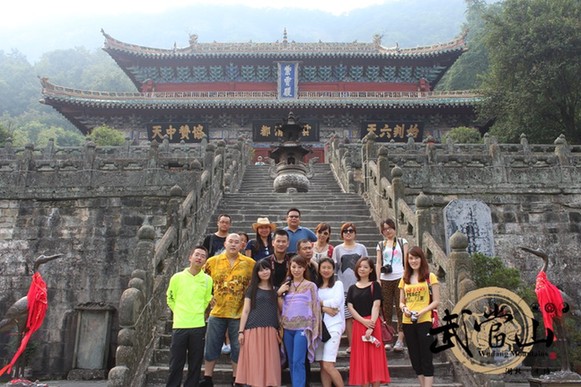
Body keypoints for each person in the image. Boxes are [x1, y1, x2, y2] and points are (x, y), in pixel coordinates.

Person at [201, 233, 255, 387]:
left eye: (236, 242)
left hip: (239, 313)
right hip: (217, 312)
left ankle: (236, 379)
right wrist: (207, 297)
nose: (233, 244)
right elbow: (200, 280)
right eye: (230, 241)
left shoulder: (250, 263)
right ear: (224, 243)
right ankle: (207, 378)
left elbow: (255, 284)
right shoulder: (212, 262)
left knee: (238, 348)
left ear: (241, 245)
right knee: (211, 346)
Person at [166, 246, 213, 387]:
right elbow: (170, 298)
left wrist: (197, 311)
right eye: (197, 255)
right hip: (180, 325)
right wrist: (179, 311)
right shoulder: (177, 277)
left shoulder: (207, 279)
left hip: (198, 325)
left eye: (202, 256)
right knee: (175, 363)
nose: (199, 258)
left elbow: (207, 299)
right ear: (190, 257)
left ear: (205, 260)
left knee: (195, 363)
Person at [235, 259, 281, 387]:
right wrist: (241, 331)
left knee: (270, 361)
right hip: (253, 329)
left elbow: (279, 311)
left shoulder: (276, 290)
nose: (264, 272)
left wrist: (279, 328)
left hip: (271, 329)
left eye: (266, 269)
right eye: (260, 270)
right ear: (257, 273)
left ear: (270, 270)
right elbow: (245, 311)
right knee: (255, 361)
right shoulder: (252, 289)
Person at [277, 255, 321, 387]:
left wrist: (315, 326)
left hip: (303, 327)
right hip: (287, 327)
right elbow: (281, 308)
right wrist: (279, 294)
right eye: (294, 266)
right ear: (289, 268)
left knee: (298, 360)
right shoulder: (286, 286)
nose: (296, 270)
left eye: (299, 267)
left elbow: (315, 307)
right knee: (290, 361)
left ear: (304, 268)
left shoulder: (311, 286)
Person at [399, 246, 440, 387]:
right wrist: (404, 308)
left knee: (426, 356)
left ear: (421, 259)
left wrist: (422, 312)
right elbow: (401, 302)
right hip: (408, 321)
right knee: (415, 357)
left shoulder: (430, 277)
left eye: (416, 257)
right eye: (410, 258)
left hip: (425, 320)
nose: (413, 261)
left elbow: (436, 301)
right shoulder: (404, 279)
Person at [346, 257, 390, 387]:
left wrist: (370, 324)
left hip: (373, 325)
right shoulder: (352, 288)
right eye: (360, 266)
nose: (362, 269)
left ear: (371, 269)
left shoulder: (374, 285)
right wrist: (362, 322)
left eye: (365, 267)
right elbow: (350, 307)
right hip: (359, 326)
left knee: (375, 361)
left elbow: (376, 305)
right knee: (361, 361)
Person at [332, 223, 369, 353]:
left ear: (355, 233)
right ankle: (352, 344)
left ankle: (364, 342)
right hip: (344, 288)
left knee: (363, 315)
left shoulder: (361, 248)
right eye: (345, 231)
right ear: (341, 234)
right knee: (348, 318)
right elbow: (334, 268)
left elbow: (367, 265)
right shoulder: (337, 249)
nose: (348, 233)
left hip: (361, 286)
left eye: (351, 231)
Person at [376, 218, 408, 351]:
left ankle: (400, 339)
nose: (388, 231)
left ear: (394, 228)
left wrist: (407, 276)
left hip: (400, 277)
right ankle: (388, 338)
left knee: (401, 309)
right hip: (385, 279)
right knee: (386, 309)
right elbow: (378, 262)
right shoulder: (381, 244)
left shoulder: (402, 241)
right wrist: (378, 279)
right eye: (385, 229)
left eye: (390, 228)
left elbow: (406, 260)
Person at [315, 258, 345, 387]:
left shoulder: (338, 284)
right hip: (320, 328)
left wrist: (319, 303)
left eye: (329, 268)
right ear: (319, 269)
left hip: (334, 326)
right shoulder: (315, 287)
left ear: (333, 270)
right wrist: (324, 308)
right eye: (323, 267)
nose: (326, 270)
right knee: (322, 364)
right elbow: (310, 304)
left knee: (328, 364)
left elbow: (336, 303)